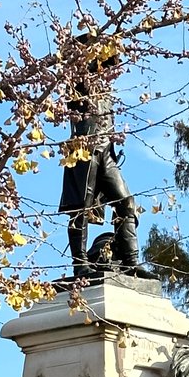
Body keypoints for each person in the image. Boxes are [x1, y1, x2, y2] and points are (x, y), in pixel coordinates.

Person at [59, 38, 149, 278]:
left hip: (106, 152)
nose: (108, 66)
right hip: (83, 150)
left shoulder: (105, 89)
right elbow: (71, 56)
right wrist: (93, 43)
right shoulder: (78, 82)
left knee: (126, 202)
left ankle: (131, 262)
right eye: (103, 60)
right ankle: (80, 266)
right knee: (81, 208)